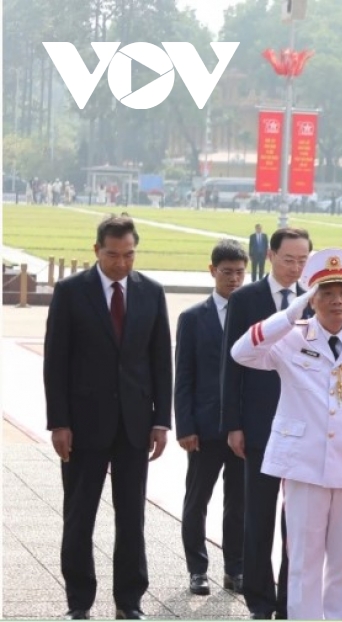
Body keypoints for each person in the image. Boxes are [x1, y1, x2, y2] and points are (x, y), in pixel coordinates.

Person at [230, 248, 342, 620]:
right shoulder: (291, 338)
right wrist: (288, 315)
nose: (338, 301)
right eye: (327, 293)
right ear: (311, 298)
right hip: (305, 467)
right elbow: (242, 353)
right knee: (303, 562)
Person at [44, 214, 173, 620]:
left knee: (131, 516)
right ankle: (79, 601)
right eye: (113, 255)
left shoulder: (151, 293)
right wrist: (59, 422)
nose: (121, 263)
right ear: (96, 250)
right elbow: (56, 362)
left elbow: (160, 361)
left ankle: (129, 599)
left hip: (136, 424)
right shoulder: (70, 292)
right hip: (83, 425)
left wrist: (161, 420)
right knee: (79, 515)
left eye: (129, 255)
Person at [222, 226, 313, 619]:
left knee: (298, 521)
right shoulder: (245, 300)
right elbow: (232, 366)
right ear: (271, 256)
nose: (295, 267)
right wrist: (234, 424)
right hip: (259, 426)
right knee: (258, 517)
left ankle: (290, 599)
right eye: (289, 259)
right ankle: (259, 600)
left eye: (302, 260)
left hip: (304, 428)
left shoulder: (317, 300)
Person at [176, 240, 248, 596]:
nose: (233, 279)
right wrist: (185, 426)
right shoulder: (192, 318)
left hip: (242, 431)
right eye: (226, 272)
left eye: (239, 273)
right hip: (203, 430)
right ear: (212, 271)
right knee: (197, 501)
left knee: (239, 505)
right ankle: (197, 569)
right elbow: (183, 376)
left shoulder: (255, 317)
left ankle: (235, 568)